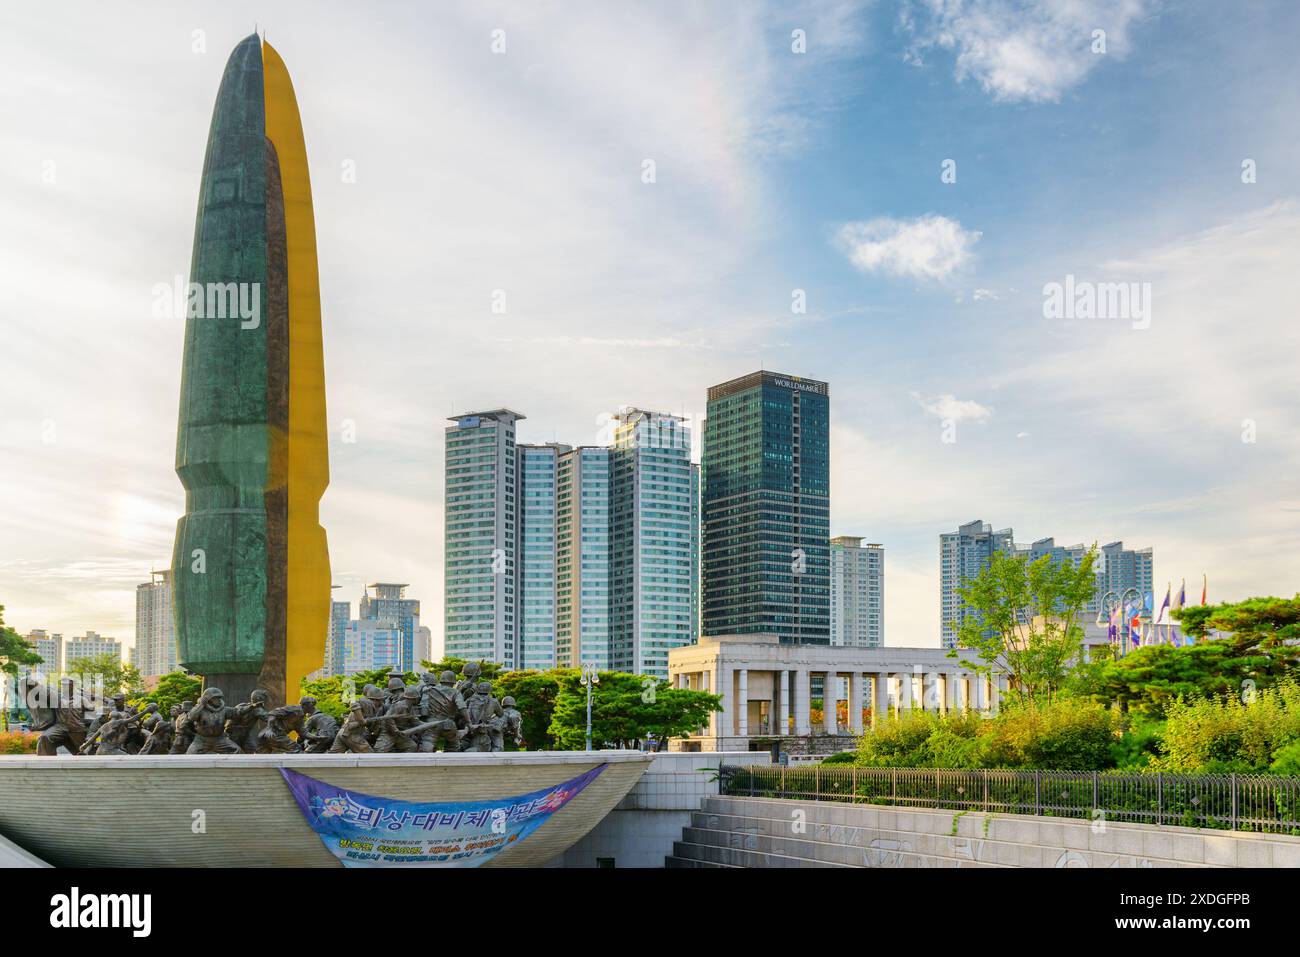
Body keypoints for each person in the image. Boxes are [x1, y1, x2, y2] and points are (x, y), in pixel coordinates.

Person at [20, 676, 86, 756]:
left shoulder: (82, 699)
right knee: (45, 738)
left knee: (85, 752)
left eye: (66, 685)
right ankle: (46, 765)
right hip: (60, 727)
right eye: (62, 685)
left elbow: (92, 714)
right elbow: (43, 691)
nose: (64, 687)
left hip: (77, 730)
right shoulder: (57, 697)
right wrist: (33, 683)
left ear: (72, 685)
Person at [186, 688, 240, 754]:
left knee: (237, 750)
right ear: (208, 699)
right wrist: (201, 704)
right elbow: (191, 717)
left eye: (219, 698)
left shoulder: (224, 709)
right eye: (216, 698)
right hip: (201, 740)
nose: (219, 700)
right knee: (190, 754)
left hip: (220, 740)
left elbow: (237, 712)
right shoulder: (200, 709)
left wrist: (251, 706)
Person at [372, 687, 420, 753]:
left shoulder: (411, 708)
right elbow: (388, 718)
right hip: (388, 733)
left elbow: (415, 721)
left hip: (399, 734)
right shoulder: (399, 705)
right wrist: (395, 730)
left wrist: (428, 724)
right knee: (379, 751)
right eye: (417, 698)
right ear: (413, 699)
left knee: (412, 746)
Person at [225, 688, 271, 753]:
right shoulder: (257, 710)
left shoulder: (242, 705)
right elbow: (268, 718)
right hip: (236, 735)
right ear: (260, 699)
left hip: (242, 735)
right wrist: (279, 715)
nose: (266, 701)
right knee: (234, 752)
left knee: (253, 750)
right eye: (264, 698)